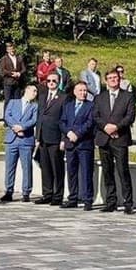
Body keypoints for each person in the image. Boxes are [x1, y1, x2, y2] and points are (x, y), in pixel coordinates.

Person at [94, 68, 136, 213]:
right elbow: (96, 116)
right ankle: (111, 202)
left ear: (120, 79)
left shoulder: (128, 96)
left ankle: (128, 203)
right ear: (106, 81)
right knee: (107, 171)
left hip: (120, 138)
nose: (113, 80)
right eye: (110, 78)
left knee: (123, 171)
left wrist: (116, 127)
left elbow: (130, 116)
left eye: (115, 77)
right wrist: (106, 127)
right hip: (104, 139)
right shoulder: (99, 97)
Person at [60, 80, 96, 209]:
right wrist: (69, 133)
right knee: (71, 172)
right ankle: (73, 198)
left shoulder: (91, 106)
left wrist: (77, 134)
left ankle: (87, 200)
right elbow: (62, 122)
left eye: (85, 90)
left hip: (84, 144)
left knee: (86, 173)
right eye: (80, 90)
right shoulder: (68, 105)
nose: (83, 93)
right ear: (75, 92)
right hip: (70, 144)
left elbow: (90, 123)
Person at [1, 84, 39, 201]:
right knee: (10, 166)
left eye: (36, 91)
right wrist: (15, 127)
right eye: (34, 91)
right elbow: (7, 115)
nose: (35, 93)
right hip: (12, 139)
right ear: (27, 91)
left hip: (26, 140)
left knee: (26, 167)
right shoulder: (13, 102)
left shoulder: (35, 106)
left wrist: (22, 127)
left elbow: (34, 120)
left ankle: (26, 192)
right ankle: (8, 191)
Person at [35, 73, 67, 205]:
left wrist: (63, 139)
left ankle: (58, 195)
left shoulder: (64, 97)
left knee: (57, 168)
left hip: (56, 138)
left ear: (58, 82)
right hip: (43, 138)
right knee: (46, 167)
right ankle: (47, 194)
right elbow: (39, 117)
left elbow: (65, 119)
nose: (51, 83)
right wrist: (37, 137)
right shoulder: (42, 97)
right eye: (49, 81)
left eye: (54, 81)